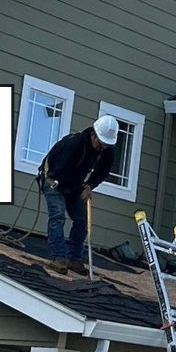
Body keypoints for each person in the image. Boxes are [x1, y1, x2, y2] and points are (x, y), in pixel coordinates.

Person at [38, 115, 118, 272]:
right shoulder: (75, 143)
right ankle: (58, 258)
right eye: (100, 144)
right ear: (93, 135)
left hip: (74, 185)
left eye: (105, 145)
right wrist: (79, 189)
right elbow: (61, 171)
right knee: (58, 215)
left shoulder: (107, 150)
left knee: (83, 220)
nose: (102, 148)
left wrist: (89, 186)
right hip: (53, 180)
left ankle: (74, 259)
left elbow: (102, 172)